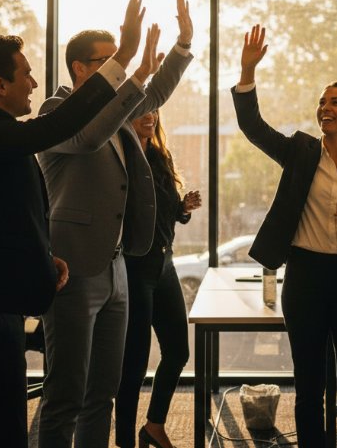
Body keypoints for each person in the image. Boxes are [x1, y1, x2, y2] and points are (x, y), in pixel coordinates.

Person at [0, 0, 146, 448]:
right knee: (1, 434)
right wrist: (123, 57)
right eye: (24, 73)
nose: (32, 81)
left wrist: (44, 260)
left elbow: (9, 216)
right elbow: (59, 125)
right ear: (0, 85)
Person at [37, 0, 196, 448]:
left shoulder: (116, 111)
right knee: (66, 393)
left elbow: (153, 96)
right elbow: (89, 137)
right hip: (72, 268)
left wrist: (182, 45)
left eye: (117, 60)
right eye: (105, 61)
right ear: (79, 68)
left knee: (102, 395)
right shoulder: (55, 111)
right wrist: (134, 66)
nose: (116, 69)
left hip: (117, 266)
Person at [232, 24, 337, 447]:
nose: (325, 107)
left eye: (334, 102)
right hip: (305, 278)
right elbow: (253, 126)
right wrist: (247, 72)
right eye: (321, 102)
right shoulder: (300, 152)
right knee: (309, 387)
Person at [116, 109, 201, 448]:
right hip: (136, 269)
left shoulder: (159, 156)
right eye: (139, 111)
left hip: (165, 266)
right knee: (133, 366)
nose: (148, 116)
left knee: (178, 351)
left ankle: (153, 425)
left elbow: (166, 213)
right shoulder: (122, 158)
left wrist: (183, 208)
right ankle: (124, 440)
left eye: (153, 110)